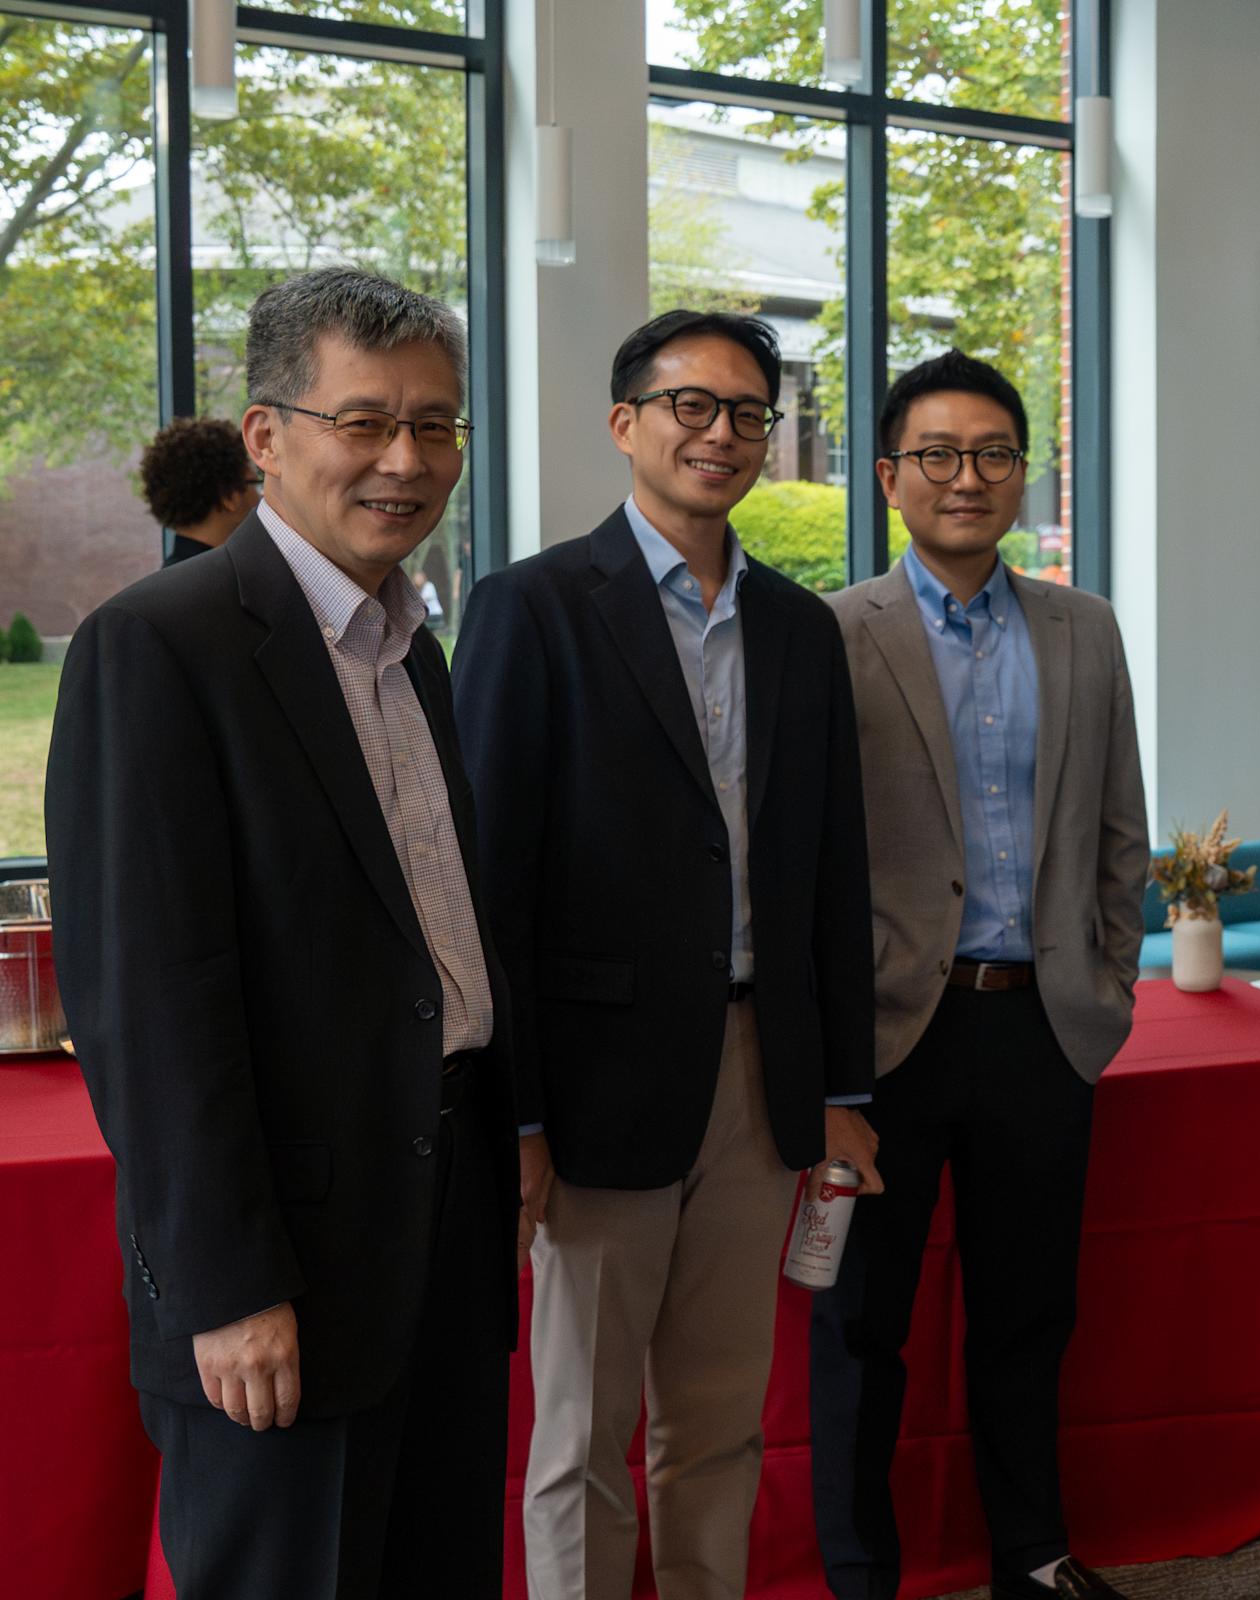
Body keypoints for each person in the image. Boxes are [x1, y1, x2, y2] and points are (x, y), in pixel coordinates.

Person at [48, 266, 518, 1596]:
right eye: (362, 421)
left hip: (441, 1231)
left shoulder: (414, 645)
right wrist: (227, 1286)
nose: (405, 460)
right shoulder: (162, 646)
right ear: (266, 436)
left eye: (436, 426)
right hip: (281, 1273)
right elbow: (149, 1003)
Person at [451, 308, 878, 1600]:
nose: (722, 434)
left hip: (761, 1082)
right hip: (593, 1091)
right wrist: (516, 1116)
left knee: (720, 1422)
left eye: (748, 412)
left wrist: (844, 1094)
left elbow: (834, 874)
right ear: (626, 422)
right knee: (581, 1434)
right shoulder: (531, 608)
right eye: (692, 406)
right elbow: (490, 891)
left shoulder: (804, 630)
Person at [812, 349, 1149, 1600]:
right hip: (888, 1042)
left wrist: (1103, 997)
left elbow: (1123, 830)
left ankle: (1033, 1554)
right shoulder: (835, 633)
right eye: (940, 455)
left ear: (1022, 474)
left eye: (995, 454)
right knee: (861, 1327)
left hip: (1040, 1029)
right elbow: (804, 861)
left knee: (1027, 1319)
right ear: (893, 475)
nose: (969, 477)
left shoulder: (1083, 627)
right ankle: (861, 1572)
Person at [139, 415, 262, 565]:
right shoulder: (226, 582)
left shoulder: (168, 579)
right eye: (255, 484)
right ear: (230, 497)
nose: (261, 496)